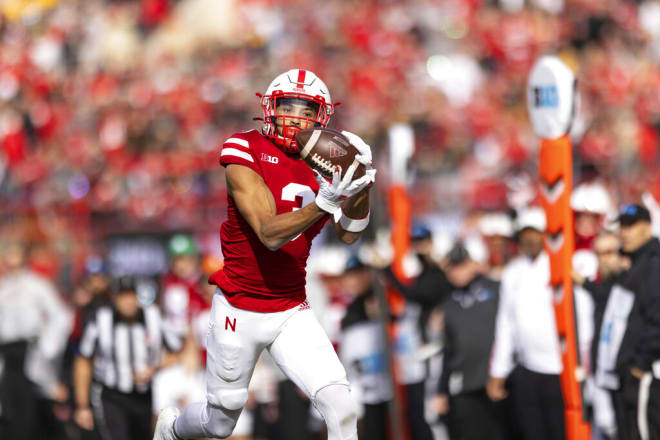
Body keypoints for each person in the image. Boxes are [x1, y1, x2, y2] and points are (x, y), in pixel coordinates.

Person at [154, 68, 376, 440]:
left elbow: (351, 233)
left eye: (306, 111)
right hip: (239, 308)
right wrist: (326, 200)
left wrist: (361, 180)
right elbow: (268, 233)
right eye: (288, 106)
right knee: (220, 423)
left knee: (342, 405)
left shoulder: (322, 162)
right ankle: (172, 430)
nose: (296, 118)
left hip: (291, 308)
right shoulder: (244, 148)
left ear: (321, 118)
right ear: (270, 109)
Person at [486, 207, 566, 440]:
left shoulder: (561, 265)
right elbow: (506, 325)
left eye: (535, 233)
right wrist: (497, 372)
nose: (530, 239)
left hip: (559, 370)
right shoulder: (513, 272)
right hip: (527, 369)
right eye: (524, 234)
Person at [74, 276, 182, 440]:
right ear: (115, 298)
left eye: (131, 295)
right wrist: (82, 405)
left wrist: (155, 368)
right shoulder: (101, 319)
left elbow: (177, 352)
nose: (128, 302)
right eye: (123, 296)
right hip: (112, 396)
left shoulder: (153, 316)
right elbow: (83, 360)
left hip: (145, 396)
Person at [434, 243, 509, 440]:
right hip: (465, 384)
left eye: (462, 265)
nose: (458, 272)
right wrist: (441, 391)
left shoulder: (494, 288)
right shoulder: (448, 305)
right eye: (453, 267)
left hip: (496, 379)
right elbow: (447, 350)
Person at [0, 242, 72, 440]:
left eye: (15, 252)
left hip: (32, 352)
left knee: (36, 409)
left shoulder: (37, 285)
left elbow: (61, 317)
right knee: (11, 411)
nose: (11, 258)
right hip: (8, 355)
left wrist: (48, 347)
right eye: (7, 253)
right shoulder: (3, 287)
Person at [600, 204, 660, 440]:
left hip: (646, 377)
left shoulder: (653, 265)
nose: (624, 232)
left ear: (647, 227)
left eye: (631, 226)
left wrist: (639, 364)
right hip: (628, 376)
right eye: (622, 226)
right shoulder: (634, 263)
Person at [573, 231, 628, 439]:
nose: (603, 259)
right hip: (601, 369)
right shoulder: (603, 283)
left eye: (608, 252)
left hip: (625, 373)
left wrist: (585, 284)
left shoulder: (630, 280)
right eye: (598, 253)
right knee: (604, 425)